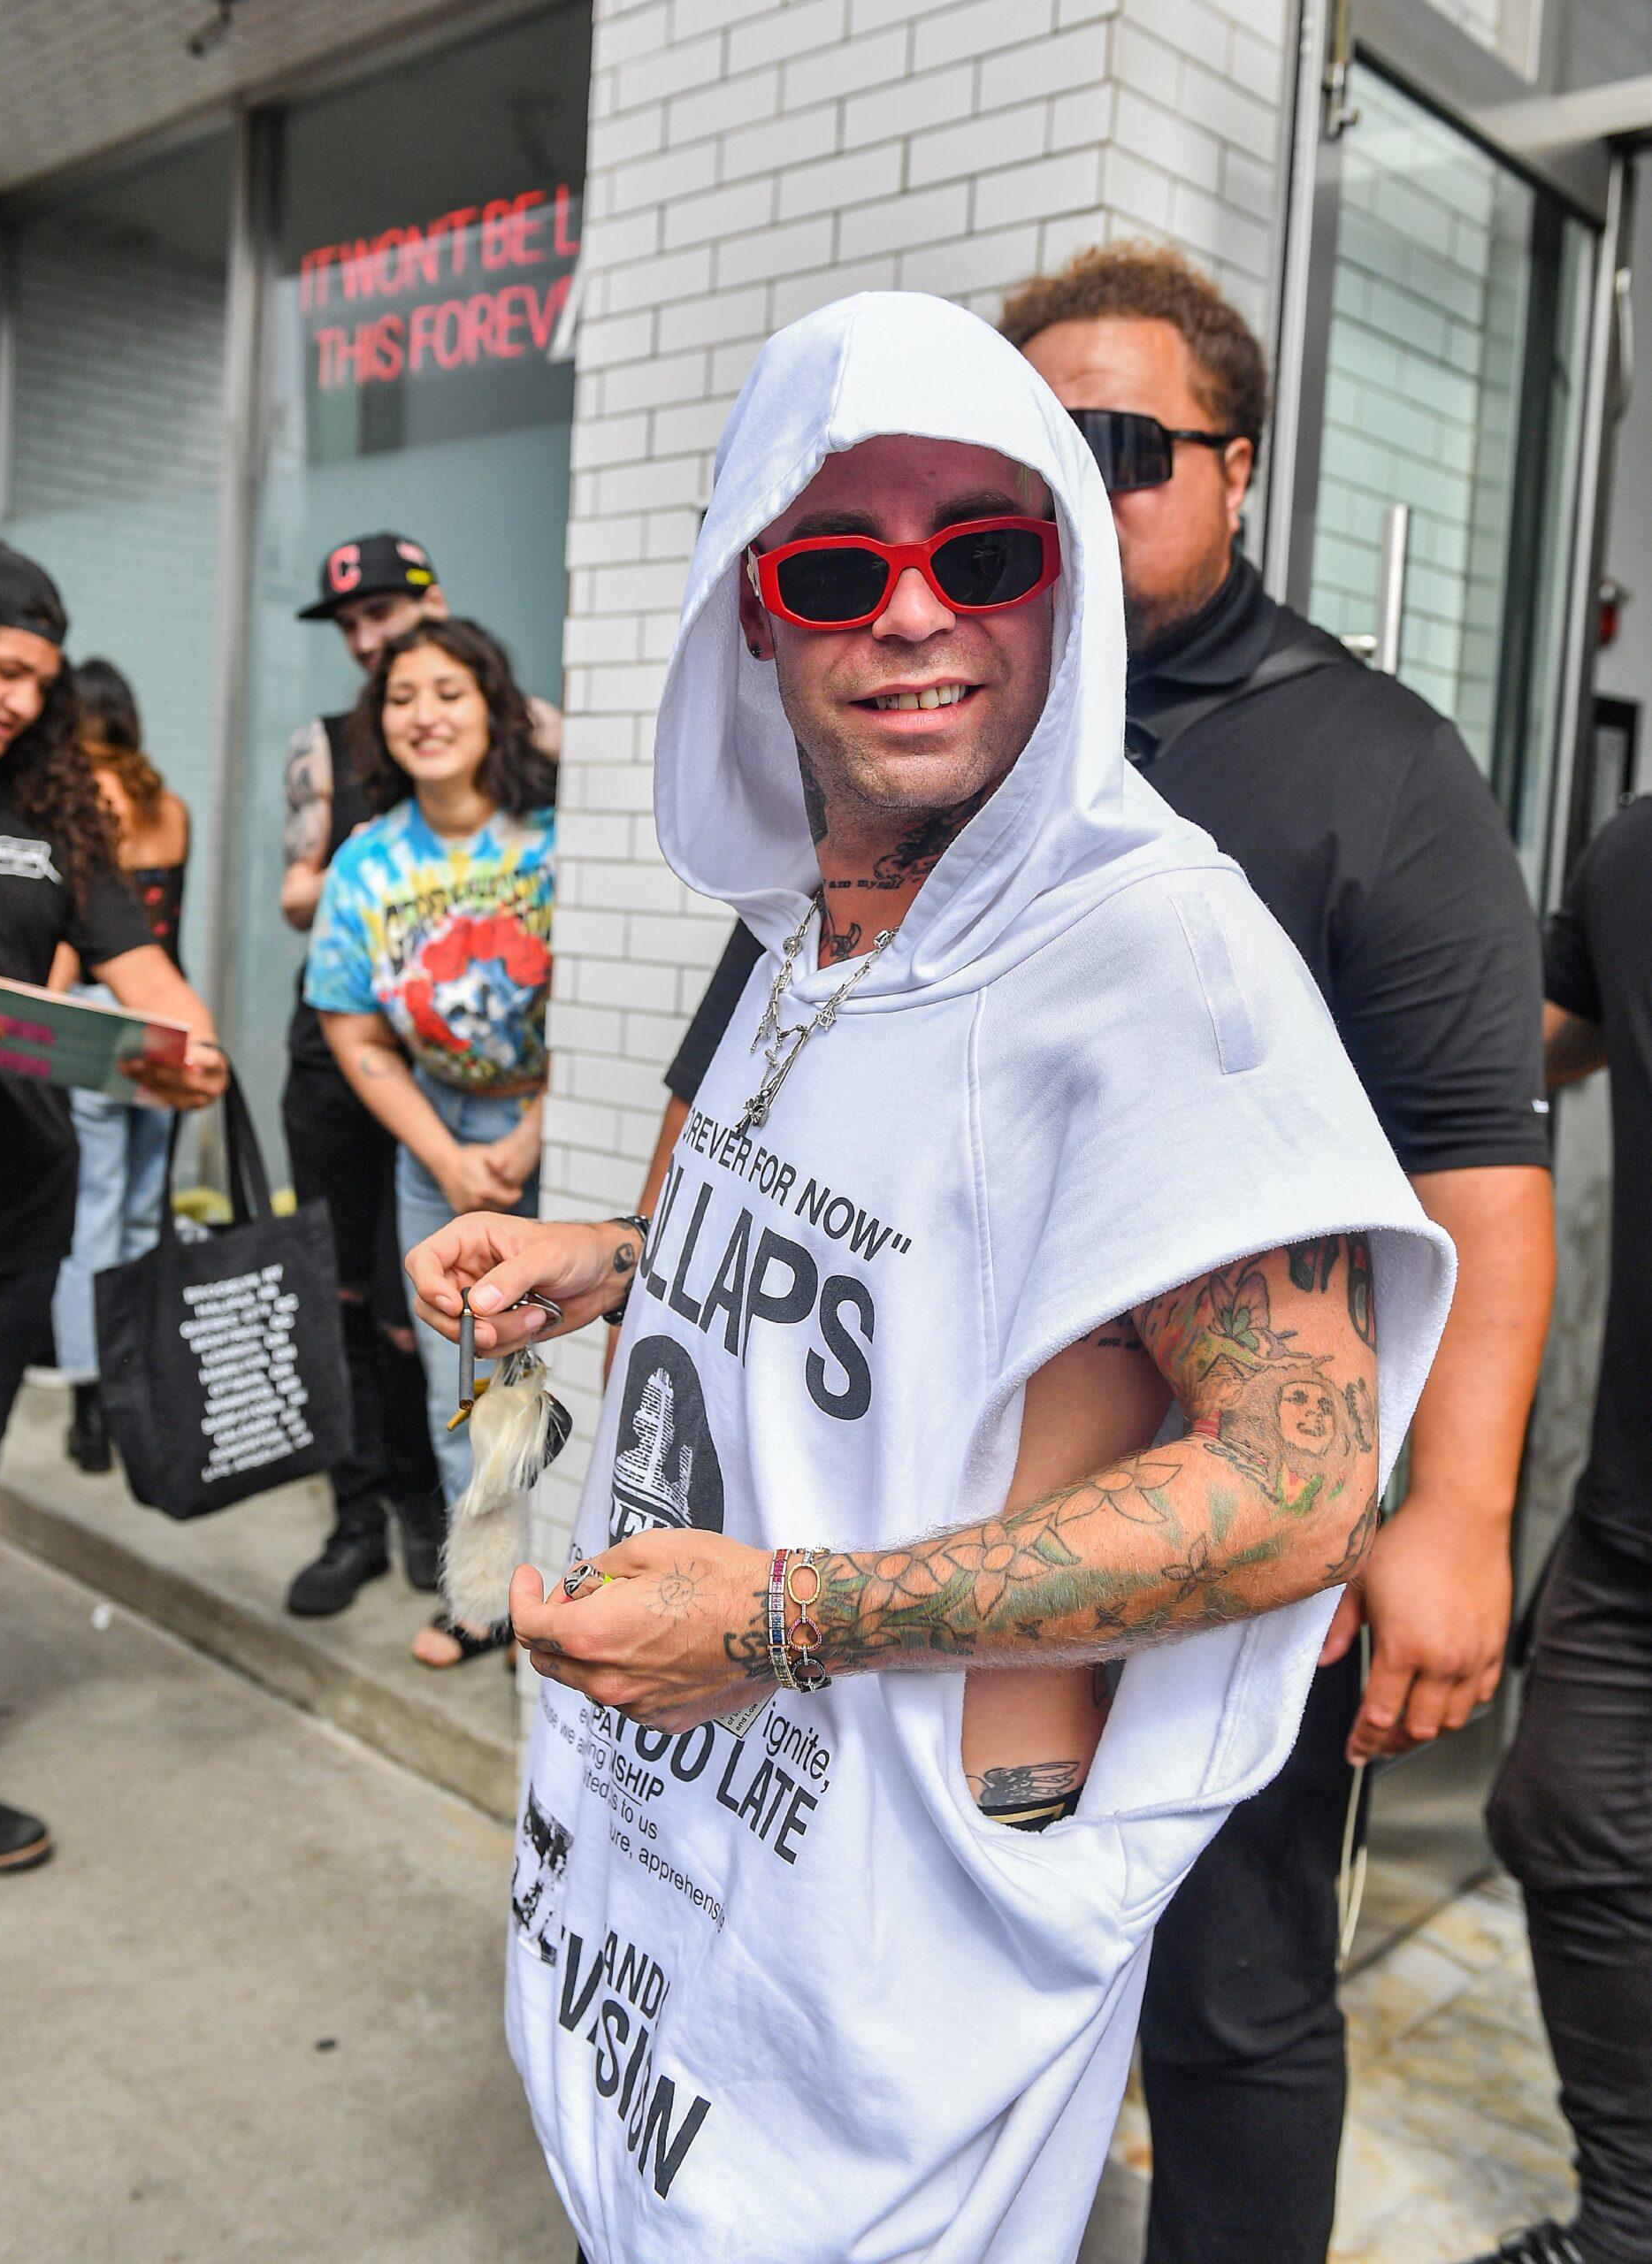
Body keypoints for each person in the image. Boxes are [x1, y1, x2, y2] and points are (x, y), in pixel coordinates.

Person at [402, 292, 1453, 2261]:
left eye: (984, 552)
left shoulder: (1154, 954)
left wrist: (787, 1616)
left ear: (1064, 590)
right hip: (690, 1885)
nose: (911, 614)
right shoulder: (820, 925)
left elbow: (1300, 1476)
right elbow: (917, 1250)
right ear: (753, 612)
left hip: (896, 1941)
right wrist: (619, 1259)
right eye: (832, 564)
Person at [658, 245, 1556, 2264]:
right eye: (1018, 444)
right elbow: (764, 1077)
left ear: (1235, 469)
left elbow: (1474, 1171)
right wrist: (637, 1265)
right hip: (889, 1560)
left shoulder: (1369, 773)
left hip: (1190, 1563)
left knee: (1228, 2001)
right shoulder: (902, 746)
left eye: (1109, 449)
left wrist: (1452, 1509)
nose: (1053, 489)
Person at [0, 538, 226, 1873]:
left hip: (5, 1223)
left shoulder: (49, 810)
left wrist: (187, 1049)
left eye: (35, 682)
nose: (15, 702)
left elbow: (144, 974)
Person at [1466, 798, 1652, 2264]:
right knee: (1560, 1807)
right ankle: (1628, 2217)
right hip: (1633, 1506)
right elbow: (1529, 1025)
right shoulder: (1636, 851)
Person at [306, 617, 556, 1669]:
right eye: (404, 697)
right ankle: (485, 1597)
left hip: (553, 1121)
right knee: (464, 1377)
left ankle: (562, 1596)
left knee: (555, 1374)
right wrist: (449, 1158)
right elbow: (352, 1026)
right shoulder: (366, 861)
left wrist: (534, 1133)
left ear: (493, 703)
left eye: (449, 690)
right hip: (433, 1136)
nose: (426, 715)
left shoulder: (556, 836)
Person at [279, 531, 452, 1617]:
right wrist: (365, 863)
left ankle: (431, 1508)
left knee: (421, 1298)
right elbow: (296, 896)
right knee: (338, 1289)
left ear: (432, 607)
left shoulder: (487, 722)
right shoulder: (328, 745)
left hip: (446, 1058)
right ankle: (356, 1515)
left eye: (380, 614)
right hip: (334, 1053)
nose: (364, 639)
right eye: (349, 625)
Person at [50, 658, 190, 1474]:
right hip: (167, 1017)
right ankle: (136, 1380)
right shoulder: (168, 806)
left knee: (92, 1216)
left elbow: (80, 932)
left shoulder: (80, 805)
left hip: (99, 1018)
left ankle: (89, 1404)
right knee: (142, 1211)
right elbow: (164, 935)